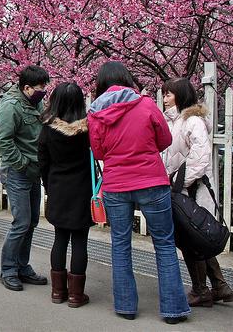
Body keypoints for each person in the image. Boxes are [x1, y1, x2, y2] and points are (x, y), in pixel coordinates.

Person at [87, 61, 190, 324]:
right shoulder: (145, 104)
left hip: (117, 185)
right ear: (126, 79)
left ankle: (125, 306)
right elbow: (165, 140)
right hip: (151, 181)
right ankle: (174, 310)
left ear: (101, 83)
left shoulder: (96, 112)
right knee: (164, 244)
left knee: (120, 244)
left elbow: (98, 152)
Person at [162, 78, 233, 307]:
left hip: (193, 189)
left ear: (181, 95)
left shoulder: (193, 121)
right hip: (182, 188)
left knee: (192, 237)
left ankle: (201, 290)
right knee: (196, 235)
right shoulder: (173, 122)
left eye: (169, 94)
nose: (164, 99)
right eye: (164, 94)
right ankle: (219, 285)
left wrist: (177, 182)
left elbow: (200, 157)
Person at [37, 82, 93, 307]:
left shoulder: (48, 129)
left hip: (58, 189)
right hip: (82, 191)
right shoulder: (89, 129)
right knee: (80, 241)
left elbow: (43, 161)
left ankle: (58, 292)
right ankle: (76, 296)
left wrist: (48, 186)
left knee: (59, 239)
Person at [0, 65, 50, 291]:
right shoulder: (12, 106)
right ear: (26, 87)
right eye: (40, 88)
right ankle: (8, 269)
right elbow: (4, 141)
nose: (43, 91)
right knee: (21, 223)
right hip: (17, 171)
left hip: (33, 170)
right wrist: (23, 164)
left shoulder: (35, 102)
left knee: (32, 222)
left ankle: (22, 266)